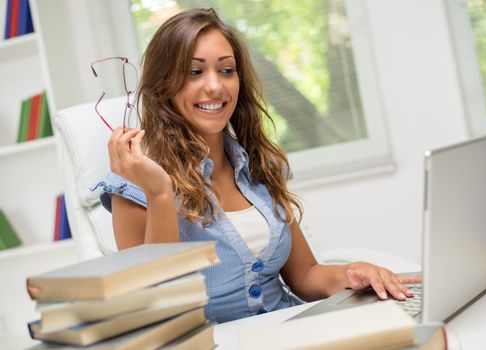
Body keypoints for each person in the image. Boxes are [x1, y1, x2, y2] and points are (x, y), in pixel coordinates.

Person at [94, 8, 420, 323]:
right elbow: (156, 306)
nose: (215, 86)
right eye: (195, 72)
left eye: (226, 70)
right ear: (164, 84)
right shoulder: (134, 182)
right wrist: (161, 194)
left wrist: (351, 273)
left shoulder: (260, 164)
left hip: (291, 330)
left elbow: (304, 275)